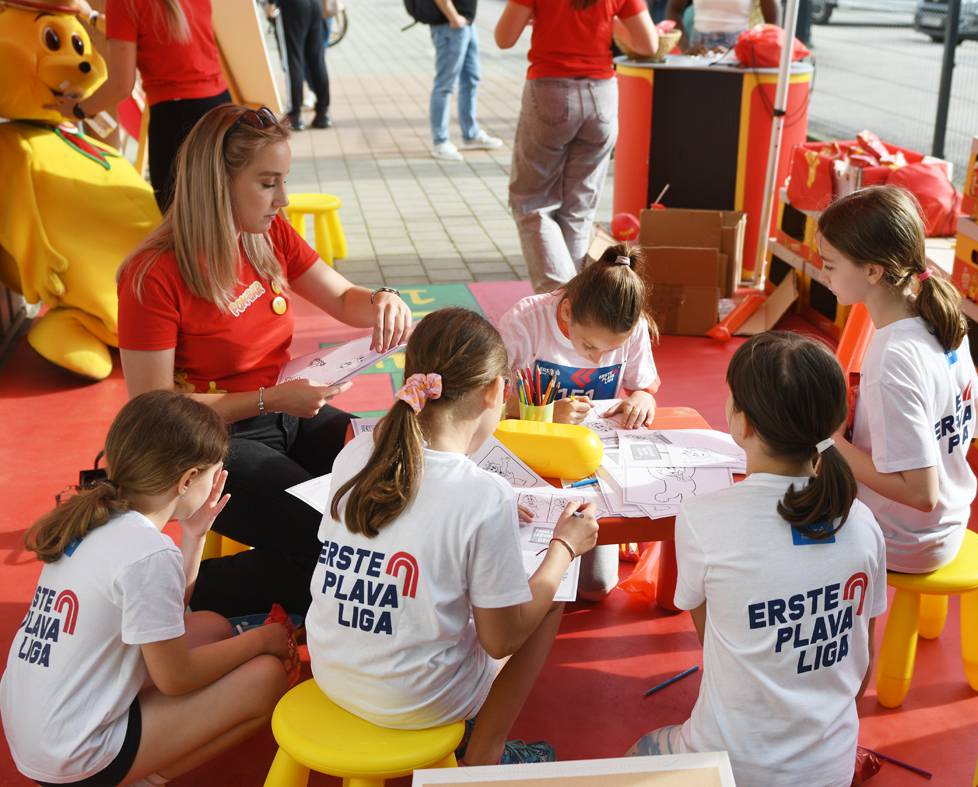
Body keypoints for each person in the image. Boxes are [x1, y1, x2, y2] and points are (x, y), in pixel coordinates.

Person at [117, 104, 414, 618]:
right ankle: (160, 590)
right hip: (207, 443)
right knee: (333, 551)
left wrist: (384, 299)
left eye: (284, 180)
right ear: (218, 183)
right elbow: (153, 412)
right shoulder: (153, 276)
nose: (284, 199)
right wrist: (270, 398)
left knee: (390, 487)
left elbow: (343, 297)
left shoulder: (265, 234)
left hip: (287, 412)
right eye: (268, 183)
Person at [306, 308, 600, 765]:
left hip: (331, 672)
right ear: (494, 393)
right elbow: (501, 641)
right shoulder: (483, 495)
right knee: (552, 593)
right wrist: (565, 546)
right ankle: (486, 751)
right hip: (418, 701)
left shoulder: (358, 452)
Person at [627, 332, 887, 786]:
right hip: (831, 766)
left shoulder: (702, 519)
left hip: (733, 767)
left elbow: (712, 639)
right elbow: (861, 662)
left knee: (634, 757)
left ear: (741, 422)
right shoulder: (863, 523)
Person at [0, 391, 297, 787]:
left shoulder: (96, 518)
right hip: (75, 756)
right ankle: (137, 777)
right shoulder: (146, 552)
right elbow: (176, 677)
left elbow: (166, 616)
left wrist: (194, 536)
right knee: (266, 677)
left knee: (210, 626)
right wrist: (263, 640)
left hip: (39, 728)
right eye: (213, 473)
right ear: (188, 479)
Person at [819, 185, 978, 573]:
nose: (823, 274)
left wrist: (828, 441)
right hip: (952, 523)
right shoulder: (944, 316)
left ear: (873, 271)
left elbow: (921, 493)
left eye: (829, 265)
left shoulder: (891, 356)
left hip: (902, 540)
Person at [497, 243, 659, 600]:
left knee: (596, 587)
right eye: (588, 346)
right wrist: (542, 415)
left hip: (590, 468)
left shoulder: (633, 328)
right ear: (567, 312)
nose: (598, 358)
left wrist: (642, 397)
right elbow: (485, 399)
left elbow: (645, 382)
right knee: (520, 582)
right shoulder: (526, 321)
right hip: (529, 459)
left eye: (608, 350)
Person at [495, 0, 657, 293]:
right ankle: (576, 305)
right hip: (602, 97)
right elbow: (648, 44)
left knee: (534, 204)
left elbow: (504, 38)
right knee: (578, 208)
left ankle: (558, 303)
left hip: (550, 93)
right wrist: (612, 25)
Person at [60, 0, 232, 211]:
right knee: (222, 209)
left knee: (178, 217)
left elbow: (121, 85)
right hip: (220, 104)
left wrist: (78, 109)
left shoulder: (124, 4)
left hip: (177, 117)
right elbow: (153, 28)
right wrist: (93, 17)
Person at [426, 0, 503, 161]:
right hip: (450, 25)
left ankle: (471, 133)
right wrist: (453, 16)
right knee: (445, 85)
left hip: (465, 23)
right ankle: (440, 141)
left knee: (471, 78)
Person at [267, 0, 332, 130]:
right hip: (315, 5)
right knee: (317, 60)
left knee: (293, 60)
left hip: (292, 6)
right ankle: (323, 113)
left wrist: (270, 3)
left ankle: (294, 115)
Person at [666, 0, 777, 49]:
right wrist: (686, 48)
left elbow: (773, 23)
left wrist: (736, 52)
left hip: (738, 49)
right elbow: (673, 9)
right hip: (698, 48)